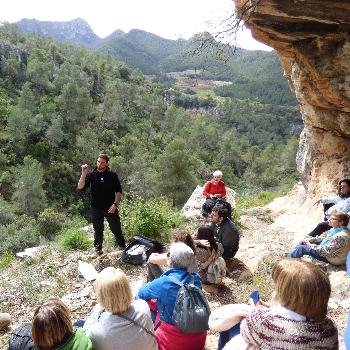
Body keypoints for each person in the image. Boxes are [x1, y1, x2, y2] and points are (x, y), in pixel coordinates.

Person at [211, 259, 338, 350]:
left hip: (257, 327)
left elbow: (246, 330)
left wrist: (256, 310)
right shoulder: (329, 327)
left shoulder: (264, 320)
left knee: (235, 322)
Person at [137, 242, 207, 350]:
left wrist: (153, 288)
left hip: (173, 343)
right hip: (198, 340)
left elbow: (141, 293)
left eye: (168, 254)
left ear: (171, 260)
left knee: (139, 300)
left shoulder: (164, 282)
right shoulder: (196, 278)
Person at [83, 267, 157, 350]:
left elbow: (84, 334)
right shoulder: (142, 305)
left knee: (79, 323)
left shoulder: (101, 332)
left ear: (103, 299)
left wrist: (96, 311)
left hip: (107, 332)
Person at [78, 154, 125, 255]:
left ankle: (122, 247)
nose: (99, 164)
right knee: (98, 230)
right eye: (98, 161)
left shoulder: (112, 175)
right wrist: (83, 173)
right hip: (96, 208)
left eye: (102, 162)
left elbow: (118, 191)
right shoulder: (91, 174)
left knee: (116, 228)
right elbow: (81, 187)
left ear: (107, 163)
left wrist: (115, 204)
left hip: (110, 207)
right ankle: (98, 250)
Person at [286, 211, 350, 265]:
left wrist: (310, 245)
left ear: (341, 222)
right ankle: (293, 257)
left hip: (334, 259)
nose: (329, 220)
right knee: (305, 240)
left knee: (302, 248)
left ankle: (286, 262)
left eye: (333, 219)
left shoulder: (341, 236)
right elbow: (327, 238)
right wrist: (313, 239)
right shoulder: (336, 230)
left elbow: (326, 251)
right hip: (330, 252)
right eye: (330, 218)